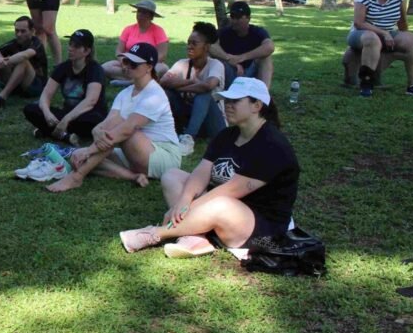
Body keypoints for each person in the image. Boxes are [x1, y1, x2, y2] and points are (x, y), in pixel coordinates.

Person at [119, 78, 300, 259]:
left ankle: (155, 233)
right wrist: (184, 200)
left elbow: (232, 190)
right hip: (223, 204)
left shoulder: (272, 146)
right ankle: (196, 238)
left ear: (257, 105)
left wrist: (188, 208)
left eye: (235, 101)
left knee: (220, 204)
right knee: (172, 176)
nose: (228, 105)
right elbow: (202, 172)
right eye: (227, 100)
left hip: (259, 225)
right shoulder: (227, 135)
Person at [47, 42, 181, 193]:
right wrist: (97, 130)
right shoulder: (125, 93)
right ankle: (133, 176)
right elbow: (110, 121)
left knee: (118, 133)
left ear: (149, 67)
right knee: (77, 156)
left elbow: (126, 129)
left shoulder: (154, 95)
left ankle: (76, 177)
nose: (127, 67)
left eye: (134, 64)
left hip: (164, 157)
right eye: (126, 61)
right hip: (136, 152)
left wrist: (90, 150)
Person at [345, 0, 413, 98]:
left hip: (388, 32)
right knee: (372, 39)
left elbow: (402, 21)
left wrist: (404, 35)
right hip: (361, 34)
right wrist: (384, 33)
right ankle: (366, 85)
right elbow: (359, 23)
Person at [23, 29, 107, 142]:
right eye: (70, 44)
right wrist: (47, 113)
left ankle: (51, 131)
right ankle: (65, 136)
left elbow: (90, 101)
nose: (70, 48)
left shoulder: (95, 69)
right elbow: (46, 95)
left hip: (87, 115)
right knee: (30, 109)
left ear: (86, 51)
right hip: (67, 114)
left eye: (76, 46)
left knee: (94, 121)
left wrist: (66, 119)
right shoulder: (63, 67)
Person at [159, 21, 227, 156]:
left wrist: (179, 86)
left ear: (206, 47)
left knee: (204, 94)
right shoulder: (182, 64)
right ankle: (168, 130)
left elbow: (208, 85)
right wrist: (190, 81)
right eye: (188, 42)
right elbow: (163, 82)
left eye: (194, 44)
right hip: (188, 116)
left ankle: (189, 139)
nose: (189, 47)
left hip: (212, 121)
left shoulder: (216, 65)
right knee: (167, 93)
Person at [0, 15, 48, 110]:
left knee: (23, 61)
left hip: (36, 86)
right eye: (17, 31)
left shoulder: (37, 43)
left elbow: (25, 55)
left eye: (23, 31)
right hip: (17, 85)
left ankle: (2, 97)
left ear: (32, 31)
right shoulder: (14, 43)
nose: (19, 34)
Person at [210, 1, 275, 88]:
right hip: (231, 72)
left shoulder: (257, 32)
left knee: (266, 58)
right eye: (232, 17)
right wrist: (228, 58)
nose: (234, 21)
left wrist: (242, 57)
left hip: (250, 73)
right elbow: (210, 45)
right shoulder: (225, 32)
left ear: (248, 18)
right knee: (217, 59)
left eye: (238, 17)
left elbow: (269, 47)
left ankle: (263, 95)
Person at [102, 0, 170, 81]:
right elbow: (119, 51)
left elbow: (162, 54)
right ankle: (139, 79)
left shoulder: (158, 31)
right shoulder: (128, 29)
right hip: (129, 63)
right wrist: (124, 63)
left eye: (144, 12)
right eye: (139, 11)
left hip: (149, 65)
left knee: (162, 68)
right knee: (105, 67)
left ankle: (129, 79)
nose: (140, 14)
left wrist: (145, 64)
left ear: (151, 16)